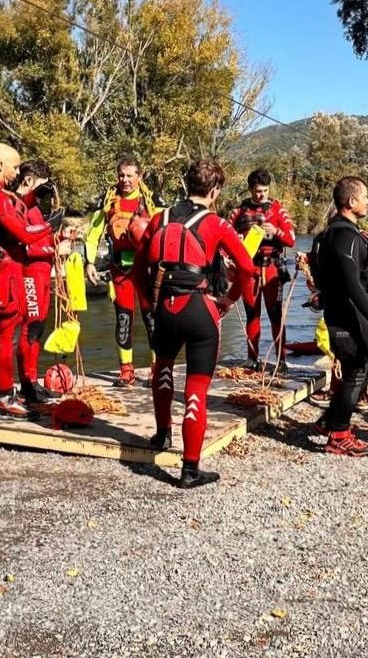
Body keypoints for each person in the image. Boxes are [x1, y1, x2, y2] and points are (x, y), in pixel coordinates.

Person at [138, 158, 256, 489]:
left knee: (162, 370)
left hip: (164, 309)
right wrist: (231, 298)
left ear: (186, 184)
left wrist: (149, 306)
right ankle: (189, 469)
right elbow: (247, 269)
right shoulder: (216, 223)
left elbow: (138, 269)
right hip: (199, 308)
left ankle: (161, 435)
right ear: (215, 191)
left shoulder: (158, 217)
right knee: (197, 387)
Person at [0, 143, 61, 420]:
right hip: (0, 272)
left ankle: (7, 393)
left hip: (6, 270)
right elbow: (23, 232)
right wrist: (50, 224)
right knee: (5, 334)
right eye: (14, 167)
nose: (17, 172)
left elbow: (13, 211)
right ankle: (3, 398)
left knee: (11, 331)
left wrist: (32, 198)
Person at [311, 177, 368, 457]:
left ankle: (330, 420)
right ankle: (339, 436)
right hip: (344, 314)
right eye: (365, 197)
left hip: (351, 312)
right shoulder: (342, 236)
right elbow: (351, 284)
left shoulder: (342, 233)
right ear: (351, 202)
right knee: (358, 367)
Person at [85, 157, 159, 387]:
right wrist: (89, 262)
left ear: (140, 176)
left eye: (129, 175)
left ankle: (157, 370)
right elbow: (93, 233)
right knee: (124, 320)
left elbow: (169, 230)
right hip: (120, 270)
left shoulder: (152, 201)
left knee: (152, 321)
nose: (125, 180)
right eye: (121, 175)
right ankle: (126, 372)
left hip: (147, 269)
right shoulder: (108, 201)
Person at [228, 169, 296, 370]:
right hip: (248, 270)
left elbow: (291, 240)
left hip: (272, 268)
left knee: (275, 315)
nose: (261, 195)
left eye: (265, 190)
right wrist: (235, 246)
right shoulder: (238, 212)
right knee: (252, 313)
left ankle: (281, 360)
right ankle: (252, 359)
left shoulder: (278, 210)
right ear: (250, 189)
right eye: (257, 191)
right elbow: (225, 240)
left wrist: (276, 231)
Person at [13, 160, 60, 404]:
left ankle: (33, 380)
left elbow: (40, 236)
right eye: (42, 186)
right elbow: (25, 243)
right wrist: (49, 243)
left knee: (39, 326)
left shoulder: (33, 208)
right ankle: (26, 383)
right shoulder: (18, 204)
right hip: (30, 273)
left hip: (43, 272)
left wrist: (58, 238)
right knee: (30, 327)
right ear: (29, 180)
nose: (45, 192)